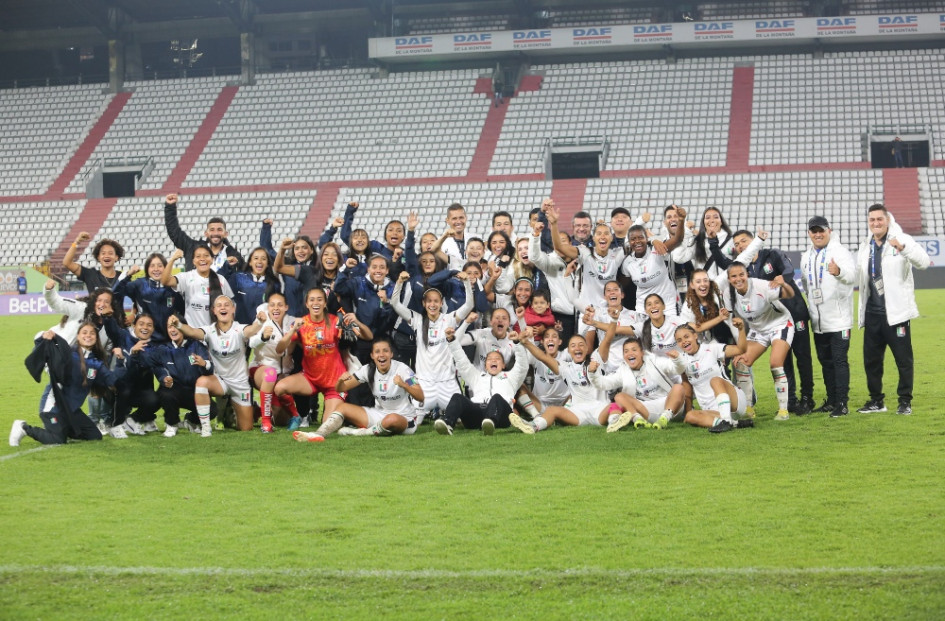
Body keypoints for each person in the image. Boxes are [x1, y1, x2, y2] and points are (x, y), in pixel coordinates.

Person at [713, 228, 815, 415]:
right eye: (736, 244)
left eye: (744, 241)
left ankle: (807, 397)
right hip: (765, 317)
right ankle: (790, 400)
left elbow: (789, 270)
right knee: (783, 361)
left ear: (753, 242)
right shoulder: (742, 269)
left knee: (802, 356)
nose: (740, 245)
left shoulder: (772, 255)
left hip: (792, 310)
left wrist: (783, 278)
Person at [855, 204, 930, 415]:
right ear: (868, 222)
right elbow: (860, 277)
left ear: (887, 220)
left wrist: (903, 249)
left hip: (896, 315)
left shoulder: (902, 238)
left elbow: (924, 262)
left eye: (879, 219)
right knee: (871, 361)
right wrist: (840, 272)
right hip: (872, 314)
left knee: (903, 360)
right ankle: (876, 401)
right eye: (872, 220)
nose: (876, 223)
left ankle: (905, 401)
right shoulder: (865, 245)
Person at [281, 288, 372, 441]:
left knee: (326, 424)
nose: (315, 303)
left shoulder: (336, 321)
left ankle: (349, 425)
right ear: (306, 303)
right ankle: (297, 417)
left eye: (319, 299)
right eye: (312, 300)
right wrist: (291, 333)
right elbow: (280, 349)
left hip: (335, 381)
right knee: (279, 388)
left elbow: (368, 336)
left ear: (324, 303)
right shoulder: (301, 323)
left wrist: (357, 322)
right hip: (311, 379)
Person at [10, 322, 122, 446]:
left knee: (94, 436)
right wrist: (43, 336)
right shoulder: (67, 354)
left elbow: (113, 381)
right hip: (53, 408)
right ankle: (23, 428)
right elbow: (42, 349)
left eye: (92, 333)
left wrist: (120, 361)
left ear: (96, 338)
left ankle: (61, 428)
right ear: (78, 336)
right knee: (57, 440)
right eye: (84, 332)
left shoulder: (96, 364)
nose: (88, 336)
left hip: (72, 411)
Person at [168, 296, 266, 436]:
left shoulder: (239, 329)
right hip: (220, 381)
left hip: (240, 384)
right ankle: (206, 427)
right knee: (202, 382)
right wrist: (178, 325)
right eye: (219, 305)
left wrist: (259, 321)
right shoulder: (209, 330)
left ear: (233, 309)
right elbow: (192, 332)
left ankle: (228, 414)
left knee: (246, 428)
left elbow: (251, 331)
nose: (223, 307)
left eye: (227, 305)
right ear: (214, 310)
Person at [509, 332, 635, 434]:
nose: (577, 348)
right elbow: (543, 357)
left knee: (614, 405)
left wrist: (613, 320)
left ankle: (614, 423)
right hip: (577, 413)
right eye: (573, 346)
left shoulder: (596, 361)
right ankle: (533, 426)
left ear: (587, 348)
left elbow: (607, 339)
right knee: (552, 410)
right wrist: (525, 342)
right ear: (568, 351)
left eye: (581, 345)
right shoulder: (565, 368)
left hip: (599, 409)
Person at [389, 270, 474, 420]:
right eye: (429, 301)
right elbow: (395, 303)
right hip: (424, 385)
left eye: (436, 301)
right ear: (424, 303)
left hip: (447, 384)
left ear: (441, 303)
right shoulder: (417, 320)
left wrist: (467, 283)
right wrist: (399, 283)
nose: (432, 304)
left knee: (464, 419)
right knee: (412, 423)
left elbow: (469, 305)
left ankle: (446, 419)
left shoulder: (449, 319)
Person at [723, 262, 796, 421]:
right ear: (729, 279)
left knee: (775, 363)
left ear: (747, 274)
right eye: (734, 276)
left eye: (741, 274)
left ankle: (783, 411)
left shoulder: (762, 286)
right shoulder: (728, 294)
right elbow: (728, 317)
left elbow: (789, 294)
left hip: (780, 324)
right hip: (758, 330)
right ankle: (748, 408)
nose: (738, 279)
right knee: (740, 362)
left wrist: (785, 283)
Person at [801, 216, 856, 418]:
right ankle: (831, 400)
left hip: (839, 319)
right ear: (809, 233)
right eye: (813, 231)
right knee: (826, 362)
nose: (817, 234)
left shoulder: (840, 252)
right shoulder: (806, 256)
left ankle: (842, 403)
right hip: (819, 322)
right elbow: (807, 287)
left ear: (829, 231)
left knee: (840, 361)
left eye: (821, 230)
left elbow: (852, 276)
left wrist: (839, 271)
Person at [434, 327, 529, 435]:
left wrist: (516, 343)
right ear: (485, 366)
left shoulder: (512, 377)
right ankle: (448, 423)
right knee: (457, 397)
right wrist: (452, 341)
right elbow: (462, 362)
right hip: (477, 414)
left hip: (502, 415)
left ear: (503, 365)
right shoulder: (477, 376)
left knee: (497, 398)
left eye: (497, 359)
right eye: (489, 359)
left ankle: (490, 422)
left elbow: (523, 366)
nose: (493, 360)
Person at [329, 337, 426, 437]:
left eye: (385, 351)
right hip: (380, 415)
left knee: (392, 419)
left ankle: (360, 433)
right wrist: (340, 381)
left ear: (391, 354)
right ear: (372, 355)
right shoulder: (367, 369)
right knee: (342, 407)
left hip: (404, 418)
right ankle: (319, 434)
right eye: (377, 351)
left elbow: (420, 396)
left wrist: (404, 385)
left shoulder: (403, 370)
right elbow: (340, 388)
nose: (381, 355)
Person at [666, 320, 751, 433]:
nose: (684, 341)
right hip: (712, 411)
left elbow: (741, 349)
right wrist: (688, 411)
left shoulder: (712, 349)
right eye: (679, 340)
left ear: (695, 335)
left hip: (734, 403)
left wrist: (741, 329)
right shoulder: (682, 361)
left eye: (687, 336)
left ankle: (726, 421)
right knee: (690, 416)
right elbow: (687, 387)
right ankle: (734, 423)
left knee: (715, 380)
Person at [590, 330, 685, 429]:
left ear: (642, 353)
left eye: (634, 350)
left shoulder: (654, 361)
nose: (630, 353)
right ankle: (638, 419)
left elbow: (677, 369)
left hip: (669, 405)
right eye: (626, 351)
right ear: (623, 356)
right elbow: (602, 384)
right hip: (645, 409)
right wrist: (592, 373)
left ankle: (664, 419)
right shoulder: (622, 371)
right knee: (619, 396)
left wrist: (677, 359)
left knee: (678, 388)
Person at [146, 314, 217, 436]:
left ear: (184, 327)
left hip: (194, 391)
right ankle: (171, 424)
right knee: (165, 392)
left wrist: (204, 363)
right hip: (174, 390)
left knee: (213, 409)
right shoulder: (163, 349)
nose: (172, 330)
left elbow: (210, 371)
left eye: (175, 326)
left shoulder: (197, 346)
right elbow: (156, 366)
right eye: (169, 327)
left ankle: (191, 420)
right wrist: (163, 378)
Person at [104, 312, 161, 438]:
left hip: (137, 391)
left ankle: (133, 420)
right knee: (123, 387)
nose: (145, 328)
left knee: (158, 397)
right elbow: (112, 329)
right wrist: (107, 317)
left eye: (149, 325)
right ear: (133, 325)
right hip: (116, 388)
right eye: (141, 324)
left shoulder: (154, 346)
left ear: (153, 329)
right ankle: (114, 424)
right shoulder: (123, 336)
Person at [621, 208, 686, 314]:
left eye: (640, 237)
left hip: (667, 308)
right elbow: (622, 284)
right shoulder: (627, 263)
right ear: (629, 242)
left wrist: (682, 220)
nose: (637, 241)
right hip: (643, 310)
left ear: (647, 238)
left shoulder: (657, 250)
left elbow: (677, 239)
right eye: (633, 239)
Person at [248, 293, 296, 433]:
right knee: (270, 373)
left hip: (282, 376)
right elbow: (251, 342)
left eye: (280, 305)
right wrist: (262, 337)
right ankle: (266, 423)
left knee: (282, 420)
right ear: (268, 307)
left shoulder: (291, 322)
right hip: (260, 370)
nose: (276, 308)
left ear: (286, 307)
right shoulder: (263, 321)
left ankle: (257, 410)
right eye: (272, 305)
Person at [113, 253, 183, 344]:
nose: (156, 269)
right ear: (147, 268)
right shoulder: (139, 284)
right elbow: (115, 293)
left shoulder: (173, 287)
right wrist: (129, 274)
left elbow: (182, 312)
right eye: (152, 266)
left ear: (166, 268)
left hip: (169, 342)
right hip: (145, 341)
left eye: (160, 266)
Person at [164, 193, 243, 272]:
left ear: (226, 234)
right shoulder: (193, 248)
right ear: (206, 233)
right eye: (212, 230)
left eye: (219, 229)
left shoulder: (234, 255)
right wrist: (170, 207)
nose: (215, 233)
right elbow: (175, 233)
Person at [161, 245, 235, 327]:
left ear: (212, 259)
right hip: (193, 335)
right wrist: (172, 260)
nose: (202, 259)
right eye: (198, 256)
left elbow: (231, 306)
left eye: (206, 256)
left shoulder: (221, 280)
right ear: (193, 261)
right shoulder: (186, 277)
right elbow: (165, 281)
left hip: (215, 335)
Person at [219, 247, 281, 326]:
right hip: (241, 330)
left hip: (262, 331)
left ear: (268, 263)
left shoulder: (274, 283)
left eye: (263, 259)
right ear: (250, 262)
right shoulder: (238, 278)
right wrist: (226, 266)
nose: (259, 261)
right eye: (256, 258)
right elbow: (217, 281)